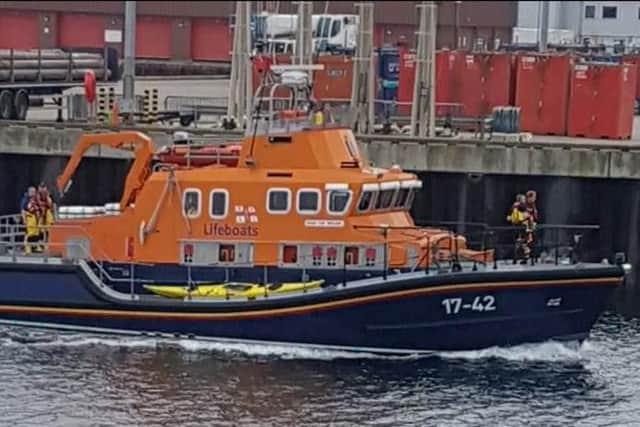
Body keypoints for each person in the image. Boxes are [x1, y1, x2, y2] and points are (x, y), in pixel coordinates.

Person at [507, 193, 532, 264]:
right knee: (525, 243)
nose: (525, 200)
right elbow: (527, 215)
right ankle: (526, 257)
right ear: (521, 199)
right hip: (523, 226)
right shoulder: (522, 206)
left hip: (516, 226)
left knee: (518, 242)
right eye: (523, 199)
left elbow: (509, 217)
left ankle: (515, 257)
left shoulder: (513, 206)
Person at [37, 182, 54, 248]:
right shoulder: (37, 196)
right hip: (40, 214)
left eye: (44, 187)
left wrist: (47, 197)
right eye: (41, 187)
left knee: (48, 229)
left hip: (47, 214)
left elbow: (51, 205)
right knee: (39, 229)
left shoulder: (49, 196)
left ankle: (47, 244)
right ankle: (39, 244)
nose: (42, 189)